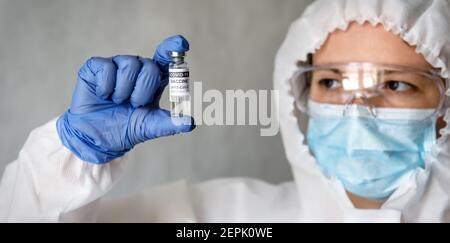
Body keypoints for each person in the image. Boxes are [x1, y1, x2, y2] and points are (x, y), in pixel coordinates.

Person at [1, 0, 450, 222]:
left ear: (445, 109)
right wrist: (69, 160)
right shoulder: (230, 219)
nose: (357, 110)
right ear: (301, 99)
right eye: (331, 81)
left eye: (396, 83)